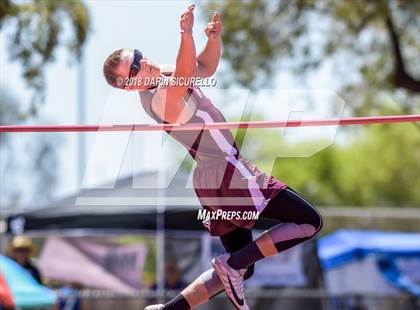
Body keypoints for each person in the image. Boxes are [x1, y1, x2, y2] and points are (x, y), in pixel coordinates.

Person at [103, 5, 323, 310]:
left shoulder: (160, 78)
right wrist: (185, 33)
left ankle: (172, 309)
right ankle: (233, 264)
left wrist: (213, 39)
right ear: (129, 85)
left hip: (213, 180)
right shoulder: (157, 99)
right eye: (135, 68)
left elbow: (202, 69)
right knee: (309, 222)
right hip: (227, 172)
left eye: (139, 56)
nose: (144, 63)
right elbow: (183, 77)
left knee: (243, 265)